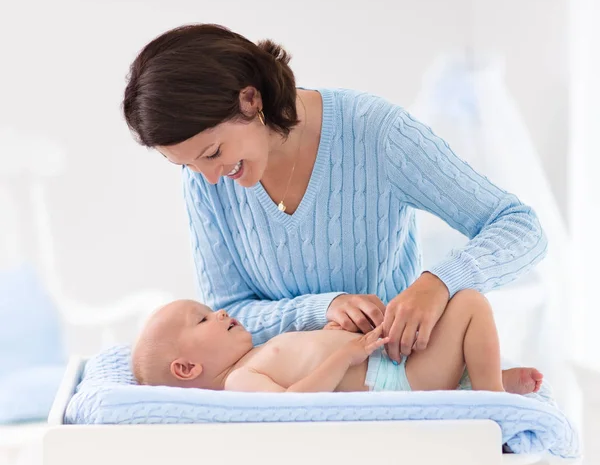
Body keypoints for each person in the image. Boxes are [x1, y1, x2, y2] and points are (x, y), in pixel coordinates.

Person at [122, 23, 548, 364]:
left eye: (213, 153)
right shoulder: (204, 178)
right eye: (188, 165)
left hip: (387, 394)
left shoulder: (375, 133)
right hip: (289, 406)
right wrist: (323, 308)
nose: (209, 178)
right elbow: (231, 311)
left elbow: (520, 227)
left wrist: (438, 283)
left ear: (250, 100)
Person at [132, 290, 543, 395]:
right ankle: (492, 398)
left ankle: (483, 379)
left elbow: (304, 365)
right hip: (391, 378)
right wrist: (346, 355)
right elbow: (295, 403)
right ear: (187, 368)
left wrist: (332, 339)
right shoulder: (239, 382)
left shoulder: (257, 355)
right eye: (202, 318)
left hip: (390, 364)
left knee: (457, 311)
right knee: (469, 303)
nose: (219, 312)